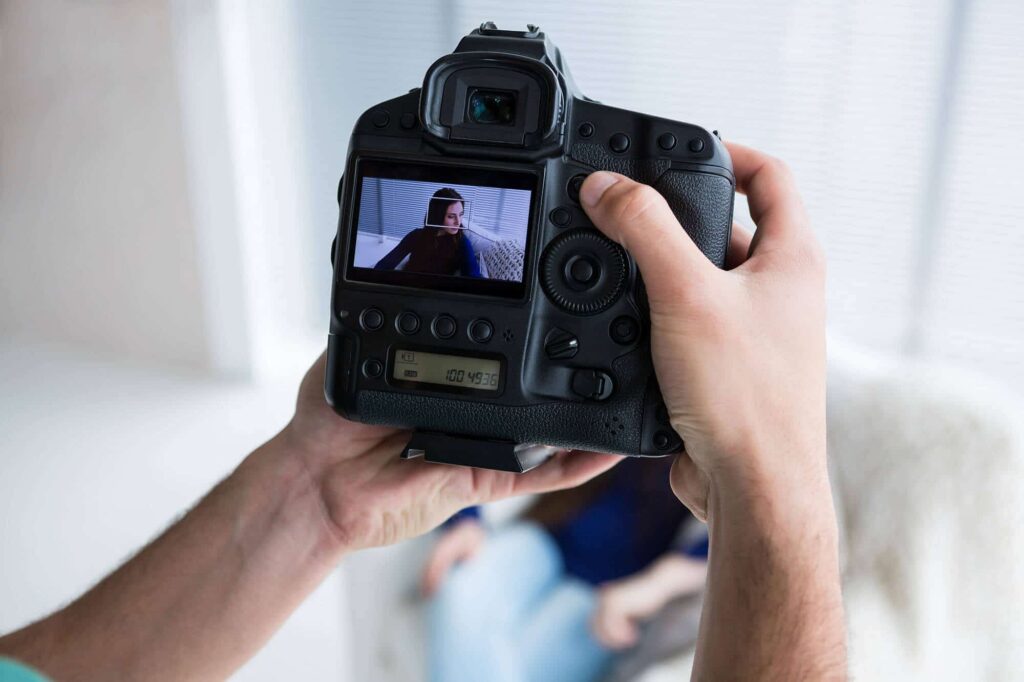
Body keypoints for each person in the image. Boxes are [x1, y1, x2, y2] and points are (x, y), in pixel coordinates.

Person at [0, 142, 847, 682]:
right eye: (444, 209)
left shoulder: (698, 412)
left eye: (454, 212)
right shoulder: (438, 248)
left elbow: (698, 538)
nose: (449, 218)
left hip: (609, 583)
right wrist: (459, 522)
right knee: (467, 602)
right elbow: (486, 405)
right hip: (543, 545)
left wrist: (750, 488)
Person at [422, 456, 710, 682]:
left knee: (524, 667)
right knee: (463, 583)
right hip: (547, 535)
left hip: (604, 590)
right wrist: (465, 518)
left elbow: (728, 538)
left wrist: (655, 585)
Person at [373, 187, 482, 277]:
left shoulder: (462, 243)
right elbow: (386, 263)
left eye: (461, 214)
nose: (458, 222)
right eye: (451, 216)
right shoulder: (416, 235)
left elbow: (473, 278)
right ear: (438, 216)